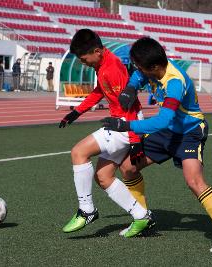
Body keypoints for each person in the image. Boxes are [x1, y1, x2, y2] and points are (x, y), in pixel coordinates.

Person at [101, 37, 212, 252]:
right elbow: (139, 75)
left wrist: (125, 126)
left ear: (155, 66)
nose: (137, 70)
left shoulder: (175, 82)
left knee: (194, 181)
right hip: (168, 131)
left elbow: (162, 120)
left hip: (190, 131)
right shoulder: (152, 68)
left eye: (139, 66)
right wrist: (130, 87)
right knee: (128, 167)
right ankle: (144, 219)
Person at [58, 29, 154, 238]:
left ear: (97, 51)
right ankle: (141, 216)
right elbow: (99, 91)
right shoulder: (101, 64)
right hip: (122, 125)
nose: (84, 63)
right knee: (103, 177)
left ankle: (87, 210)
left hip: (123, 126)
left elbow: (128, 105)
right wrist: (76, 112)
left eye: (84, 59)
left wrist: (135, 140)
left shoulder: (112, 68)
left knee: (78, 153)